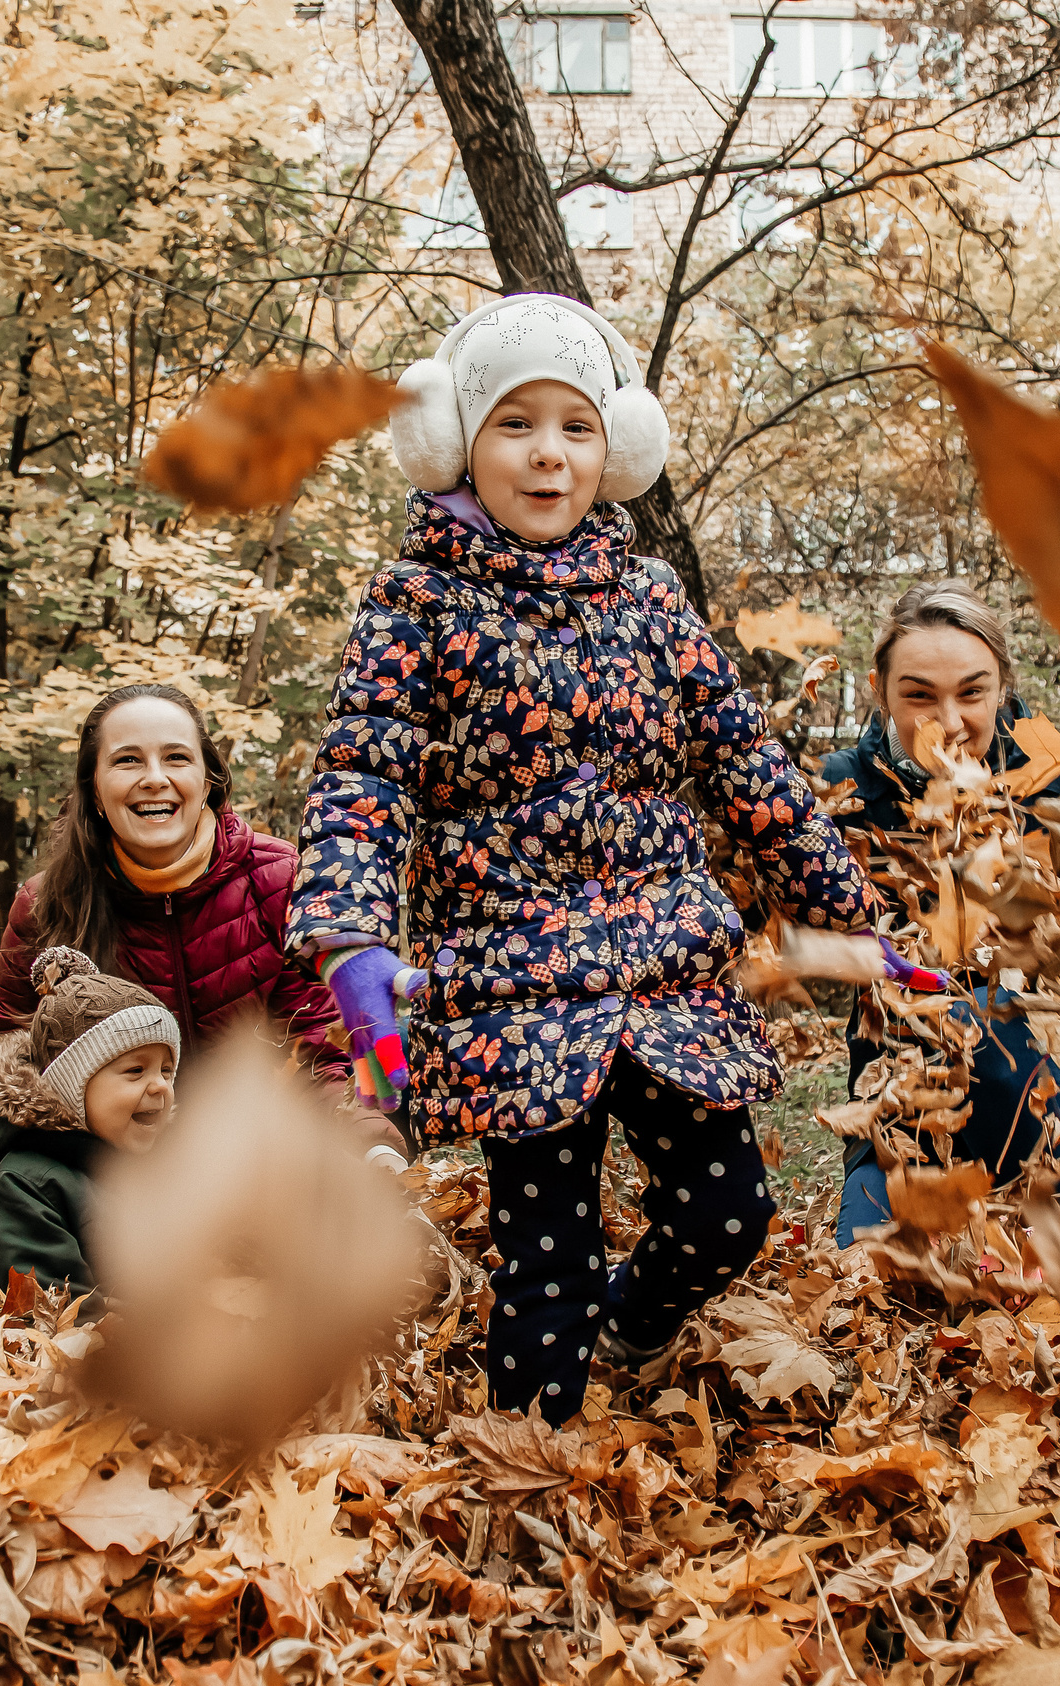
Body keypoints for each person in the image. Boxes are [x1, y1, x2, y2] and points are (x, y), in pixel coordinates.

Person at [287, 292, 939, 1424]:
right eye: (514, 424)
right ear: (457, 441)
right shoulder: (415, 602)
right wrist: (352, 943)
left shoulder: (651, 600)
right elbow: (363, 776)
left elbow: (745, 762)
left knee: (727, 1214)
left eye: (575, 426)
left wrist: (854, 912)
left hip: (666, 962)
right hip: (514, 978)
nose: (547, 455)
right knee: (547, 1258)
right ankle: (528, 1469)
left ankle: (633, 1328)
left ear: (615, 448)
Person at [0, 683, 395, 1312]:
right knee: (25, 1194)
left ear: (208, 778)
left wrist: (374, 1147)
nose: (154, 779)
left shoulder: (281, 881)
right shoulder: (46, 907)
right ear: (94, 787)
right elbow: (22, 1088)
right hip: (117, 1178)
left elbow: (329, 1051)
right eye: (126, 760)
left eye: (176, 758)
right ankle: (97, 1318)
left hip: (255, 1162)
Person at [823, 581, 1060, 1241]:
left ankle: (1051, 1240)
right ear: (879, 688)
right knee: (864, 1269)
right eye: (919, 695)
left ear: (1003, 687)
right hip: (906, 1085)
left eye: (972, 692)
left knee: (979, 1024)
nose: (949, 721)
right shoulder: (841, 792)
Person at [0, 947, 184, 1292]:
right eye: (135, 1070)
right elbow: (51, 1302)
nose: (160, 1085)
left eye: (166, 1070)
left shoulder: (158, 1169)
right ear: (72, 1087)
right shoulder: (26, 1185)